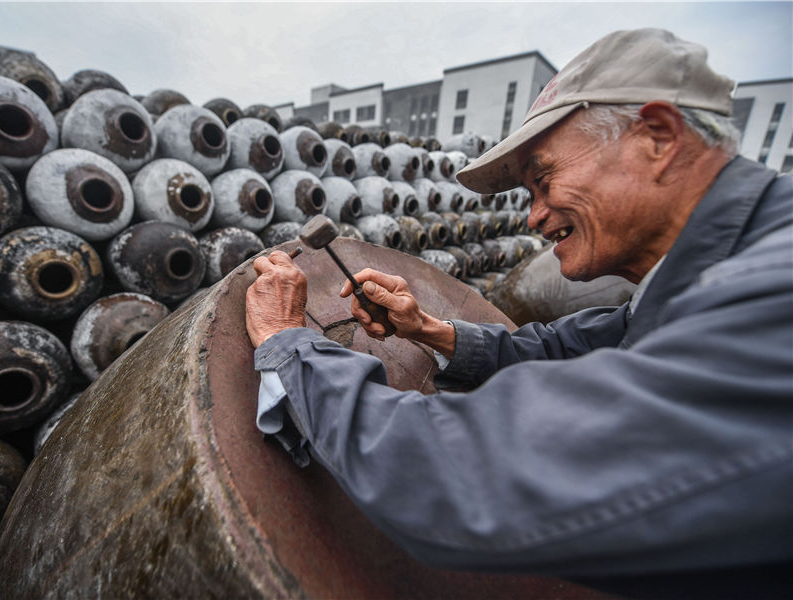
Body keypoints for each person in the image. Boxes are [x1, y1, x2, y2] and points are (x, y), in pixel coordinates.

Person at [244, 28, 792, 579]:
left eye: (544, 179)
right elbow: (570, 347)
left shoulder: (772, 300)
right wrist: (429, 329)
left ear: (657, 137)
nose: (532, 217)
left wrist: (289, 347)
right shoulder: (696, 277)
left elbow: (471, 476)